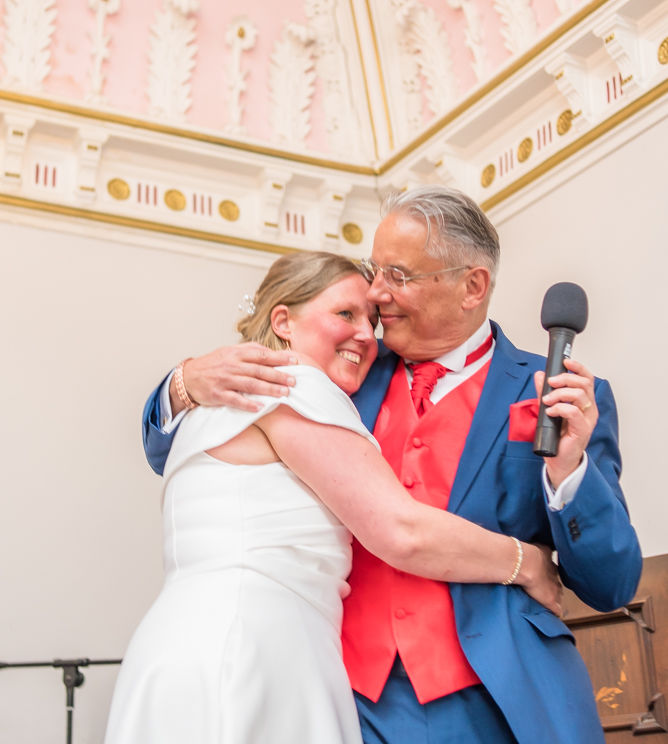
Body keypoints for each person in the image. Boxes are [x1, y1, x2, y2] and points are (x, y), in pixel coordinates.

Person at [142, 188, 642, 744]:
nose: (376, 294)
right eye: (376, 271)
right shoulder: (339, 371)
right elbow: (174, 451)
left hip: (501, 696)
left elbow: (612, 583)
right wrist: (182, 383)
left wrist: (568, 471)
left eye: (398, 276)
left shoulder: (554, 394)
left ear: (471, 287)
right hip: (353, 701)